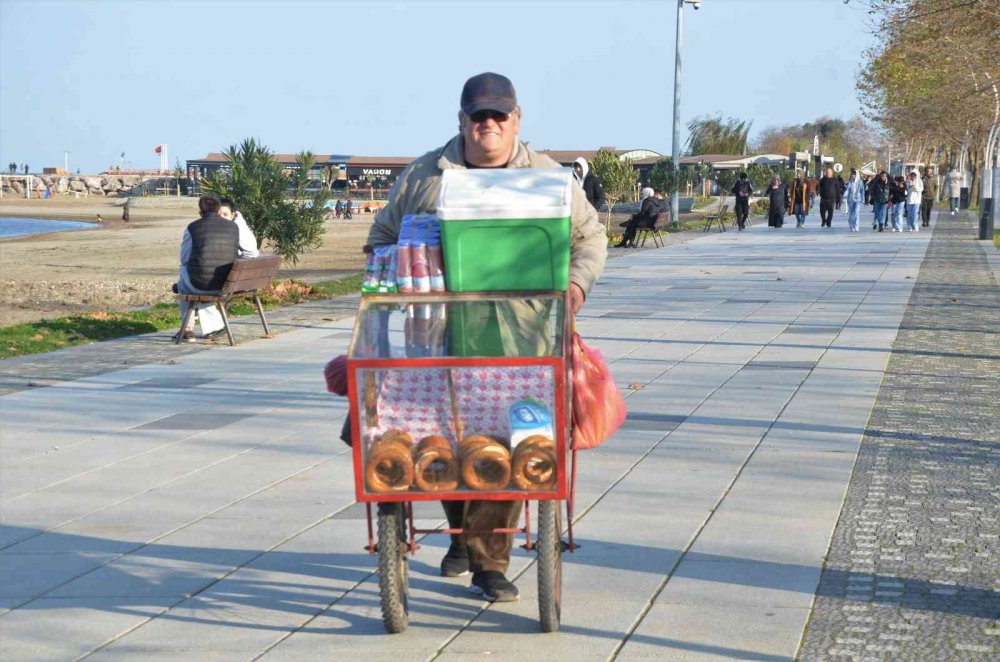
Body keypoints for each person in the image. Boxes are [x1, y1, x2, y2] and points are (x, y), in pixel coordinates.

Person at [365, 72, 607, 602]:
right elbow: (381, 237)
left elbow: (591, 237)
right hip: (440, 334)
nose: (489, 125)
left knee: (510, 443)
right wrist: (399, 272)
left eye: (500, 115)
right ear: (462, 120)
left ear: (516, 120)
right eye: (479, 116)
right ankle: (462, 532)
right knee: (446, 436)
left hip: (523, 336)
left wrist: (573, 287)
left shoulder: (547, 176)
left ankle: (488, 561)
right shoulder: (425, 175)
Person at [174, 195, 239, 342]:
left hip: (200, 285)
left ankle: (188, 330)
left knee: (183, 284)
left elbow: (184, 258)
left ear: (200, 211)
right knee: (191, 281)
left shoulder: (192, 227)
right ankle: (201, 328)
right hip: (226, 284)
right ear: (218, 210)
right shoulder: (233, 227)